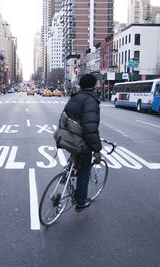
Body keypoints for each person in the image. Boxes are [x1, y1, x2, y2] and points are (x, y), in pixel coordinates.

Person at [63, 73, 102, 212]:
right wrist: (96, 149)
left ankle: (65, 175)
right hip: (81, 143)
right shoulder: (91, 101)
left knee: (74, 162)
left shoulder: (75, 98)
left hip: (69, 139)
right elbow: (90, 128)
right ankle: (80, 203)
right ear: (94, 87)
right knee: (84, 172)